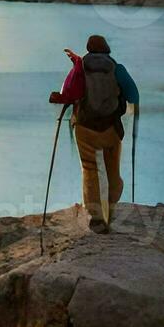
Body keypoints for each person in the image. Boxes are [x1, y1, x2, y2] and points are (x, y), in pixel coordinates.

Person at [48, 34, 140, 233]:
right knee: (112, 172)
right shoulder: (118, 69)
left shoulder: (80, 68)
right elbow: (134, 95)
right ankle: (110, 207)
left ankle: (96, 217)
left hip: (85, 128)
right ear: (107, 49)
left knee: (90, 170)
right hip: (111, 129)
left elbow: (70, 91)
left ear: (88, 49)